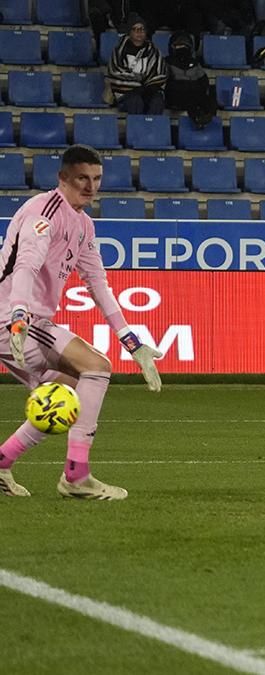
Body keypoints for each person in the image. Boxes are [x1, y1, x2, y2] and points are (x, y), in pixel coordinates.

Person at [0, 145, 162, 501]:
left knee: (67, 396)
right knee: (97, 367)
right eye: (82, 179)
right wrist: (18, 315)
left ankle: (2, 463)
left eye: (96, 179)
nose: (90, 186)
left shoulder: (83, 225)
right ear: (63, 178)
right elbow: (26, 264)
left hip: (23, 320)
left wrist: (131, 341)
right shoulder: (46, 212)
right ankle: (76, 477)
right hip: (14, 317)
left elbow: (97, 284)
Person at [105, 14, 167, 115]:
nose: (139, 32)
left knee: (157, 100)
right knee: (135, 101)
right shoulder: (119, 51)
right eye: (135, 29)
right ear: (129, 32)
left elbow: (160, 74)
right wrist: (137, 85)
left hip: (148, 91)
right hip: (125, 93)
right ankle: (137, 130)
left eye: (142, 29)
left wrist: (147, 87)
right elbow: (115, 73)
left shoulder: (154, 51)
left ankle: (153, 129)